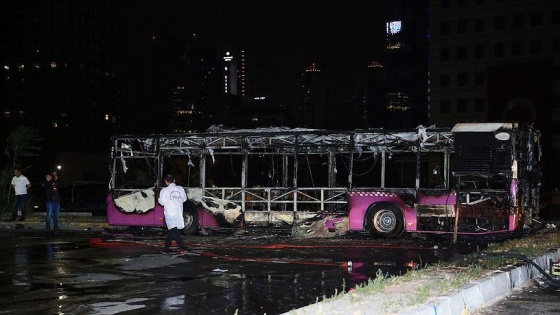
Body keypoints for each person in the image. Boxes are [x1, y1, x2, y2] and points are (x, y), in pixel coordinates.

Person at [157, 174, 188, 256]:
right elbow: (184, 199)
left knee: (173, 231)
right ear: (174, 180)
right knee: (171, 231)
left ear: (166, 182)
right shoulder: (181, 189)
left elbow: (161, 202)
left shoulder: (164, 190)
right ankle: (166, 248)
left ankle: (183, 248)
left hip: (170, 213)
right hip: (179, 212)